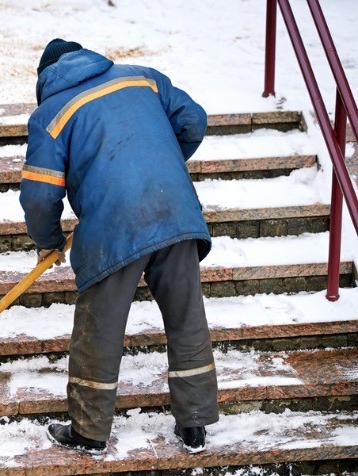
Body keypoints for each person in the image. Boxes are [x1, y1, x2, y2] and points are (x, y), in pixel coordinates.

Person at [20, 38, 219, 454]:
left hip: (113, 225)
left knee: (100, 329)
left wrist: (49, 241)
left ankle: (90, 431)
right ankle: (194, 426)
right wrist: (162, 163)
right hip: (176, 210)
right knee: (187, 318)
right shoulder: (144, 78)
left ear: (46, 78)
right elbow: (194, 121)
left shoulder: (51, 114)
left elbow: (39, 195)